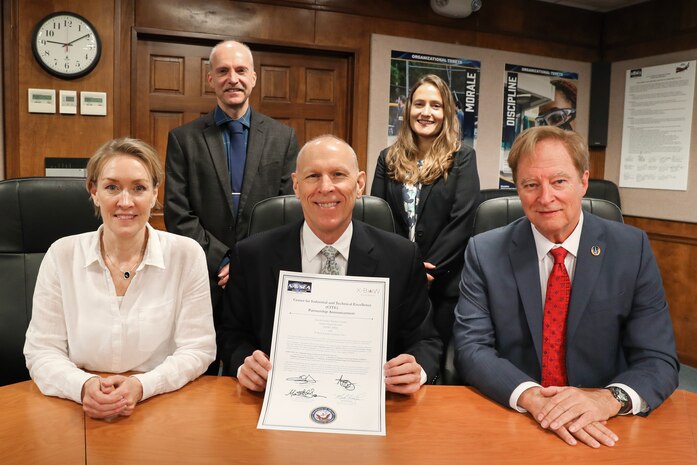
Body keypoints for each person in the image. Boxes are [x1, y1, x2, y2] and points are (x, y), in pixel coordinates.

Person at [453, 126, 679, 448]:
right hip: (517, 417)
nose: (546, 198)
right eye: (531, 185)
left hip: (604, 423)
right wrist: (531, 397)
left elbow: (658, 358)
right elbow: (471, 348)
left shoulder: (631, 249)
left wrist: (608, 399)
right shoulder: (484, 252)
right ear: (517, 188)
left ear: (583, 181)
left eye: (559, 181)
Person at [218, 135, 442, 394]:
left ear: (359, 184)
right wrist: (243, 363)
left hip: (373, 403)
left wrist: (417, 368)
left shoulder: (402, 257)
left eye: (337, 174)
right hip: (278, 400)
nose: (325, 187)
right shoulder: (251, 255)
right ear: (296, 185)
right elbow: (231, 334)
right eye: (313, 176)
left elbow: (426, 340)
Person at [24, 138, 216, 420]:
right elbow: (42, 350)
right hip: (76, 407)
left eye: (139, 188)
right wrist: (83, 386)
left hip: (160, 403)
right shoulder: (61, 254)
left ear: (154, 194)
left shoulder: (186, 255)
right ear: (94, 192)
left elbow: (197, 348)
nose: (125, 202)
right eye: (112, 187)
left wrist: (141, 386)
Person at [164, 40, 299, 324]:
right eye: (223, 71)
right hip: (203, 276)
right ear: (211, 79)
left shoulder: (282, 137)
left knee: (253, 362)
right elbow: (177, 212)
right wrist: (222, 260)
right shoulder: (183, 139)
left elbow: (286, 210)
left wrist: (247, 261)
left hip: (262, 274)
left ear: (253, 78)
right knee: (202, 361)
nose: (233, 79)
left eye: (241, 70)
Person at [371, 74, 480, 354]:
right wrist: (404, 267)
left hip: (444, 283)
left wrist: (428, 269)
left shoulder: (462, 157)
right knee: (392, 356)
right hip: (396, 277)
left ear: (446, 113)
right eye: (419, 104)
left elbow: (462, 220)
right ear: (408, 109)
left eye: (436, 105)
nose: (426, 112)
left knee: (435, 358)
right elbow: (378, 217)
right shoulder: (387, 158)